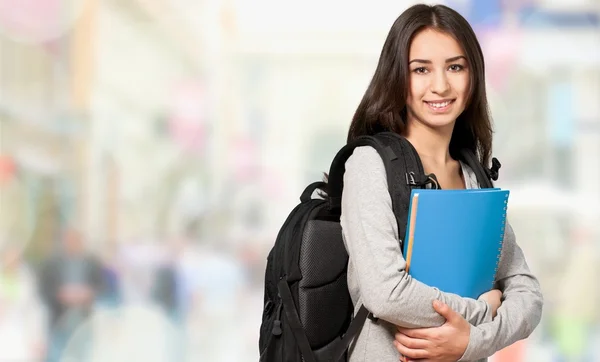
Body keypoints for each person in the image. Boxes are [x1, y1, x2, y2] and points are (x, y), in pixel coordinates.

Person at [340, 4, 543, 362]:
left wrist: (470, 343)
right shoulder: (370, 166)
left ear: (473, 75)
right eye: (421, 69)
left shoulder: (472, 175)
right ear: (397, 79)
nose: (440, 85)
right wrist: (484, 312)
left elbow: (527, 292)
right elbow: (386, 293)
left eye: (455, 67)